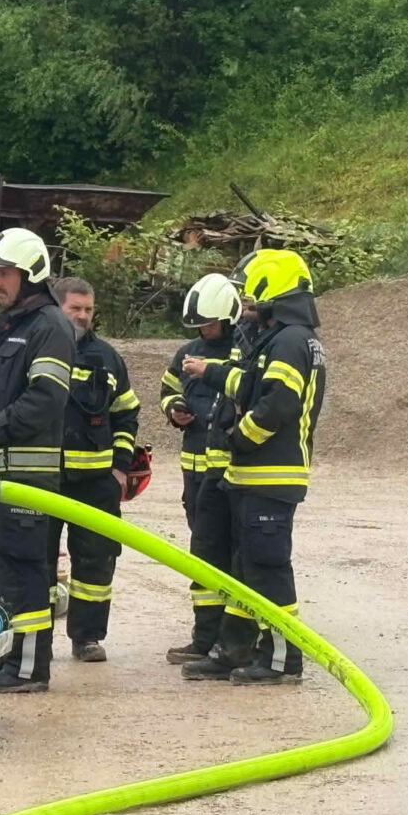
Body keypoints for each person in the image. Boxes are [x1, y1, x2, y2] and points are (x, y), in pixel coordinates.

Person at [181, 249, 326, 684]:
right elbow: (249, 382)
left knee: (268, 570)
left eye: (247, 295)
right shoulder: (281, 339)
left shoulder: (290, 340)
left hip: (270, 476)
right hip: (253, 476)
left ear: (271, 290)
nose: (242, 304)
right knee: (245, 571)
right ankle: (234, 649)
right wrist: (210, 374)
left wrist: (236, 438)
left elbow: (277, 404)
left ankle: (283, 659)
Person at [0, 228, 75, 693]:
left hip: (24, 475)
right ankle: (6, 656)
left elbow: (46, 399)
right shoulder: (13, 325)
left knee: (25, 570)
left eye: (3, 273)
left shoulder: (49, 326)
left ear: (30, 273)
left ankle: (30, 668)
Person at [47, 277, 140, 662]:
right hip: (43, 480)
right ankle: (32, 642)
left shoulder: (107, 358)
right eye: (76, 308)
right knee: (34, 561)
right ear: (57, 308)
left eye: (88, 309)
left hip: (96, 484)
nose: (84, 316)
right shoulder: (39, 351)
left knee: (97, 563)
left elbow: (126, 414)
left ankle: (86, 638)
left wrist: (119, 469)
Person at [160, 274, 248, 665]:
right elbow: (167, 388)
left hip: (228, 472)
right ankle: (205, 637)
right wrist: (174, 409)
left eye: (209, 323)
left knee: (230, 553)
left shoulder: (242, 354)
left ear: (228, 318)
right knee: (202, 553)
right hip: (193, 471)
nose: (203, 331)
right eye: (198, 325)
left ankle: (230, 639)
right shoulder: (185, 352)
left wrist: (210, 370)